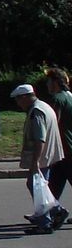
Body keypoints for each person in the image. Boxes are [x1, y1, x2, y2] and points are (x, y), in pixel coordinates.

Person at [14, 83, 65, 233]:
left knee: (37, 187)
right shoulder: (44, 106)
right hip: (50, 154)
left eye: (18, 100)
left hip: (43, 157)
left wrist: (35, 161)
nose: (18, 103)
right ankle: (55, 211)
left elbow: (39, 138)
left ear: (24, 97)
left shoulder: (36, 111)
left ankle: (46, 222)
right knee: (39, 187)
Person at [44, 68, 72, 218]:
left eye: (49, 82)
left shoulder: (57, 100)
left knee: (53, 185)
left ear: (56, 82)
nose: (47, 86)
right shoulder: (70, 97)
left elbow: (52, 124)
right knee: (53, 185)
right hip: (65, 150)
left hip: (65, 150)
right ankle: (49, 214)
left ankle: (49, 214)